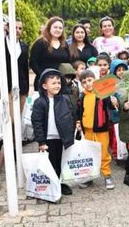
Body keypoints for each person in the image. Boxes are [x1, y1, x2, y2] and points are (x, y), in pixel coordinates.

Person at [31, 68, 77, 197]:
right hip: (48, 139)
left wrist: (73, 132)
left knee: (62, 162)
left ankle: (61, 183)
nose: (57, 85)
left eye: (59, 83)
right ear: (45, 86)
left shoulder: (65, 100)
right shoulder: (39, 102)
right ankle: (52, 184)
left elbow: (71, 117)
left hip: (61, 138)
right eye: (53, 83)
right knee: (51, 163)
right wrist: (41, 141)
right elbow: (37, 123)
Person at [76, 69, 118, 190]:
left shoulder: (102, 93)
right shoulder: (82, 95)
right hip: (87, 131)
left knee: (104, 153)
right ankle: (89, 177)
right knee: (89, 154)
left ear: (95, 79)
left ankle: (107, 176)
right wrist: (78, 122)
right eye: (84, 82)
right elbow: (79, 111)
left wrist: (113, 102)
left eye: (90, 80)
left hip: (101, 129)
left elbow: (110, 105)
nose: (88, 84)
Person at [0, 19, 30, 110]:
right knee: (7, 117)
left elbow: (25, 68)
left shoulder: (24, 47)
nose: (17, 30)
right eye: (15, 27)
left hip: (21, 87)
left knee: (19, 116)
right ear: (7, 28)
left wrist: (26, 89)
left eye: (20, 28)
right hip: (3, 87)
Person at [30, 17, 70, 91]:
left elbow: (68, 62)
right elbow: (33, 63)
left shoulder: (64, 44)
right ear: (49, 28)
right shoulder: (40, 43)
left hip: (60, 83)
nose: (58, 30)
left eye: (60, 28)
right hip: (44, 82)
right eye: (55, 27)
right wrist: (44, 77)